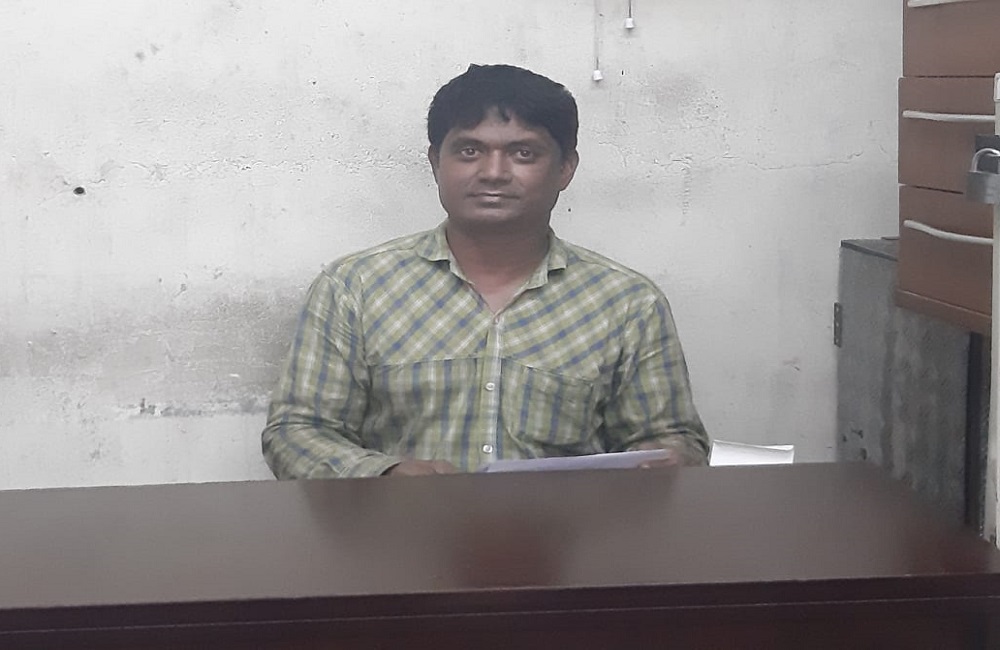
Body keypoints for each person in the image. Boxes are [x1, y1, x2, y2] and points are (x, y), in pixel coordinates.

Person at [262, 63, 709, 478]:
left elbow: (674, 439)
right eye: (469, 150)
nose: (493, 172)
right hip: (400, 532)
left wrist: (668, 458)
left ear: (565, 169)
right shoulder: (355, 288)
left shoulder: (627, 304)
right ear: (436, 162)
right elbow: (296, 432)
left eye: (523, 153)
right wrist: (385, 475)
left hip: (570, 536)